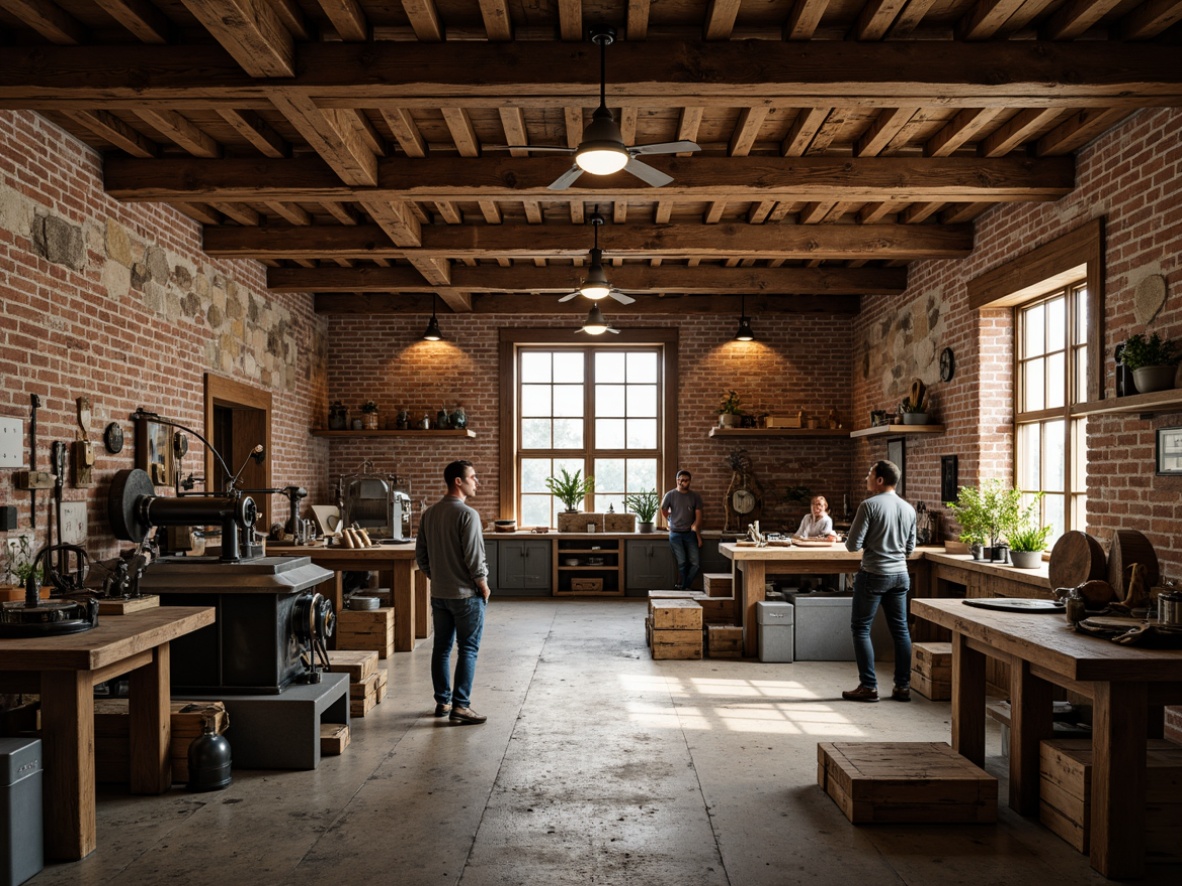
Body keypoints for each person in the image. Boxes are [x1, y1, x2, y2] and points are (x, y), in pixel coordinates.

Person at [415, 460, 491, 725]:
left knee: (442, 649)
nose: (476, 482)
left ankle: (442, 702)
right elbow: (474, 558)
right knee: (468, 649)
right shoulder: (468, 515)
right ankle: (461, 706)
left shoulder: (429, 514)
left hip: (440, 594)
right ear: (458, 481)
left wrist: (438, 577)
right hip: (466, 596)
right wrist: (483, 585)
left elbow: (421, 557)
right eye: (473, 477)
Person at [841, 460, 916, 703]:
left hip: (873, 574)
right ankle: (903, 687)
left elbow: (852, 545)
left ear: (880, 480)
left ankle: (869, 686)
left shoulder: (868, 506)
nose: (866, 479)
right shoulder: (909, 509)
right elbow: (910, 549)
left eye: (869, 474)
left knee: (861, 629)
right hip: (900, 575)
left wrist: (872, 542)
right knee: (901, 630)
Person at [660, 469, 703, 590]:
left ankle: (684, 586)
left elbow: (698, 516)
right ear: (677, 480)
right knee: (682, 563)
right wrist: (669, 520)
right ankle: (684, 588)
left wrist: (696, 528)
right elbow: (663, 510)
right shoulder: (670, 495)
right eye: (680, 480)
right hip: (675, 534)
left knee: (695, 564)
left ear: (689, 481)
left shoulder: (695, 496)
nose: (682, 482)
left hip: (690, 533)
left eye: (685, 480)